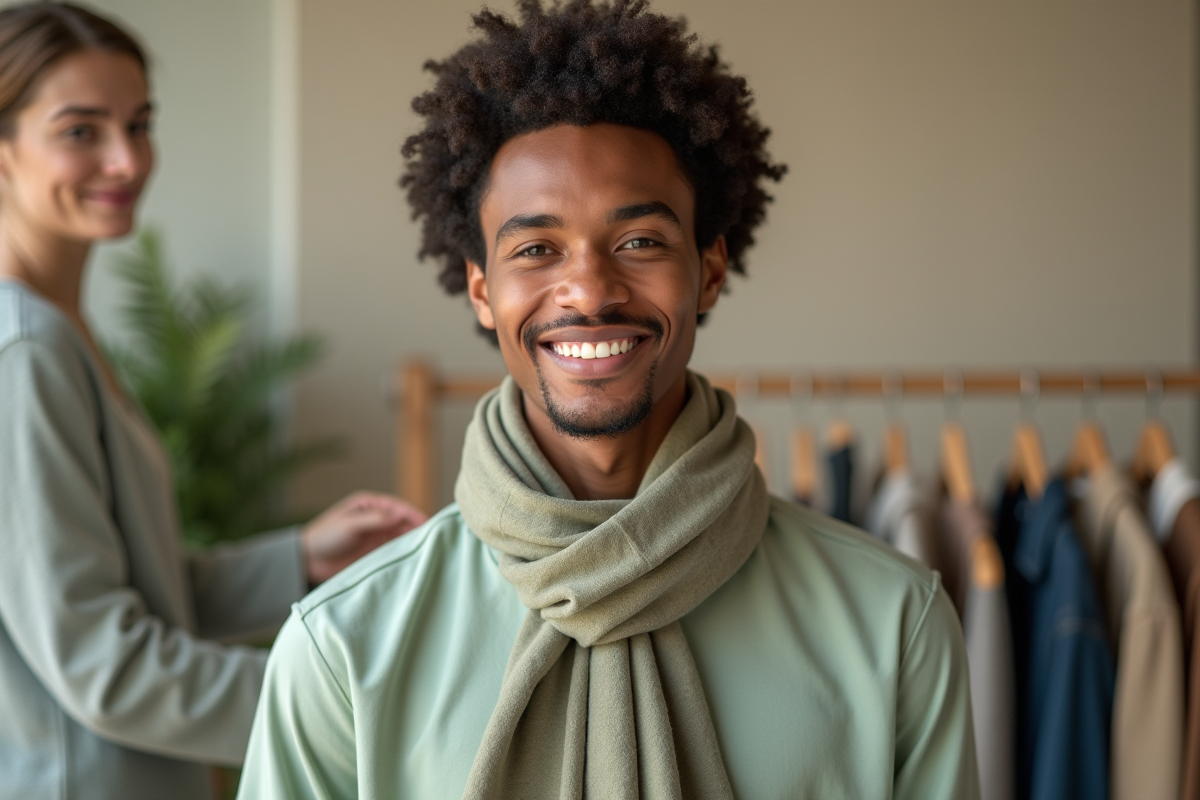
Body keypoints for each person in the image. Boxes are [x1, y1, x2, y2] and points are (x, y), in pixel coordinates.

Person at [238, 1, 980, 798]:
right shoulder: (346, 644)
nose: (589, 290)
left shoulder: (892, 623)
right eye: (537, 249)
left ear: (711, 271)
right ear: (483, 291)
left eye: (640, 242)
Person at [0, 4, 426, 798]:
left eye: (140, 123)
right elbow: (105, 662)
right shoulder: (24, 351)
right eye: (80, 130)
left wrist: (297, 558)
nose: (127, 160)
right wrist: (347, 699)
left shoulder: (60, 333)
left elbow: (117, 587)